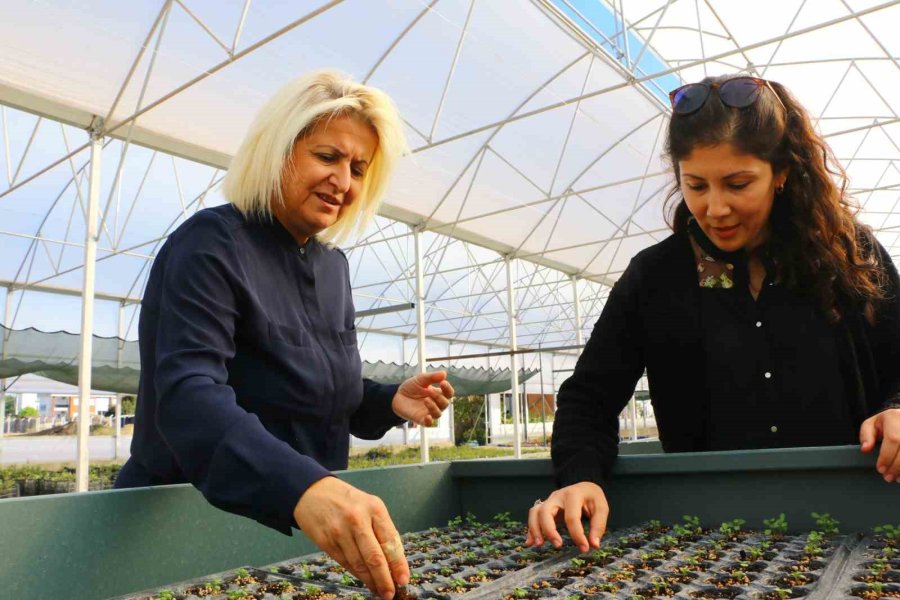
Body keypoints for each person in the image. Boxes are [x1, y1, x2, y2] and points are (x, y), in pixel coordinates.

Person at [115, 70, 454, 600]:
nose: (343, 181)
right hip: (181, 530)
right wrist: (305, 487)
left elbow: (321, 391)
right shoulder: (212, 245)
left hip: (290, 544)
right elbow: (188, 395)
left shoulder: (333, 267)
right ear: (277, 151)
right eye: (327, 157)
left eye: (358, 168)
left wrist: (390, 402)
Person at [527, 75, 900, 553]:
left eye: (738, 183)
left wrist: (894, 410)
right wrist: (581, 478)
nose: (715, 207)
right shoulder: (657, 279)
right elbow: (588, 399)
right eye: (695, 185)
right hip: (710, 535)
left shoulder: (849, 256)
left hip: (859, 522)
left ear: (782, 172)